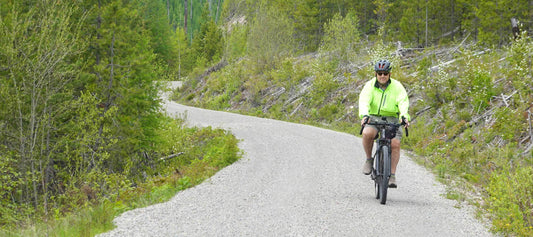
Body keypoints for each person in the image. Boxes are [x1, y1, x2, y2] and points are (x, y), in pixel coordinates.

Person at [358, 59, 410, 188]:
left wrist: (404, 116)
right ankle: (369, 160)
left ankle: (392, 175)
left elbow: (403, 102)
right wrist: (364, 115)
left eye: (385, 73)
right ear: (376, 74)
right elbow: (364, 100)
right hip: (374, 117)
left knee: (395, 143)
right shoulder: (369, 85)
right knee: (367, 133)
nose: (382, 76)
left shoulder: (397, 86)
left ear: (389, 74)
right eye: (380, 73)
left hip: (392, 118)